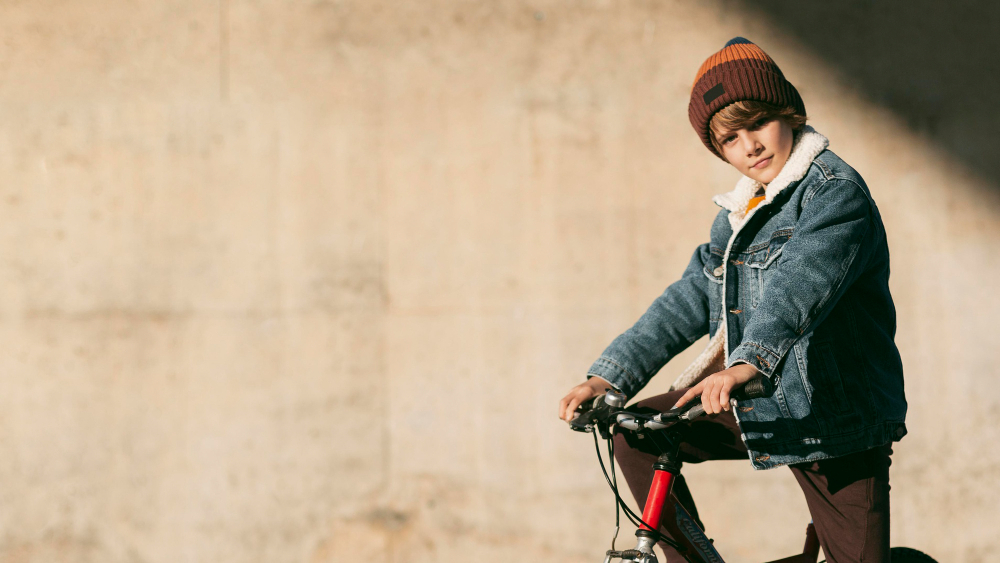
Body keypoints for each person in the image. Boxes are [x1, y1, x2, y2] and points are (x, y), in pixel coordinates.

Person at [557, 37, 906, 562]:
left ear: (789, 114)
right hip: (759, 400)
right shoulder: (739, 214)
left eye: (759, 123)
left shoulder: (835, 194)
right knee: (636, 436)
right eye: (730, 138)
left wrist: (746, 363)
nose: (750, 146)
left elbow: (799, 287)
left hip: (838, 418)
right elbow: (691, 297)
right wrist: (609, 376)